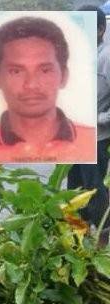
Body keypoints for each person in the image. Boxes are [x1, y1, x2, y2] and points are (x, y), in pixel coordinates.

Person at [0, 16, 95, 164]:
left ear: (64, 76)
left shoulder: (91, 142)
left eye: (45, 70)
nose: (31, 85)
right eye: (16, 71)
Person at [69, 5, 110, 228]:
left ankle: (102, 244)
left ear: (100, 30)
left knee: (94, 193)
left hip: (96, 140)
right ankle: (77, 244)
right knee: (74, 193)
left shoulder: (107, 57)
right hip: (76, 137)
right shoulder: (80, 57)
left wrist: (97, 120)